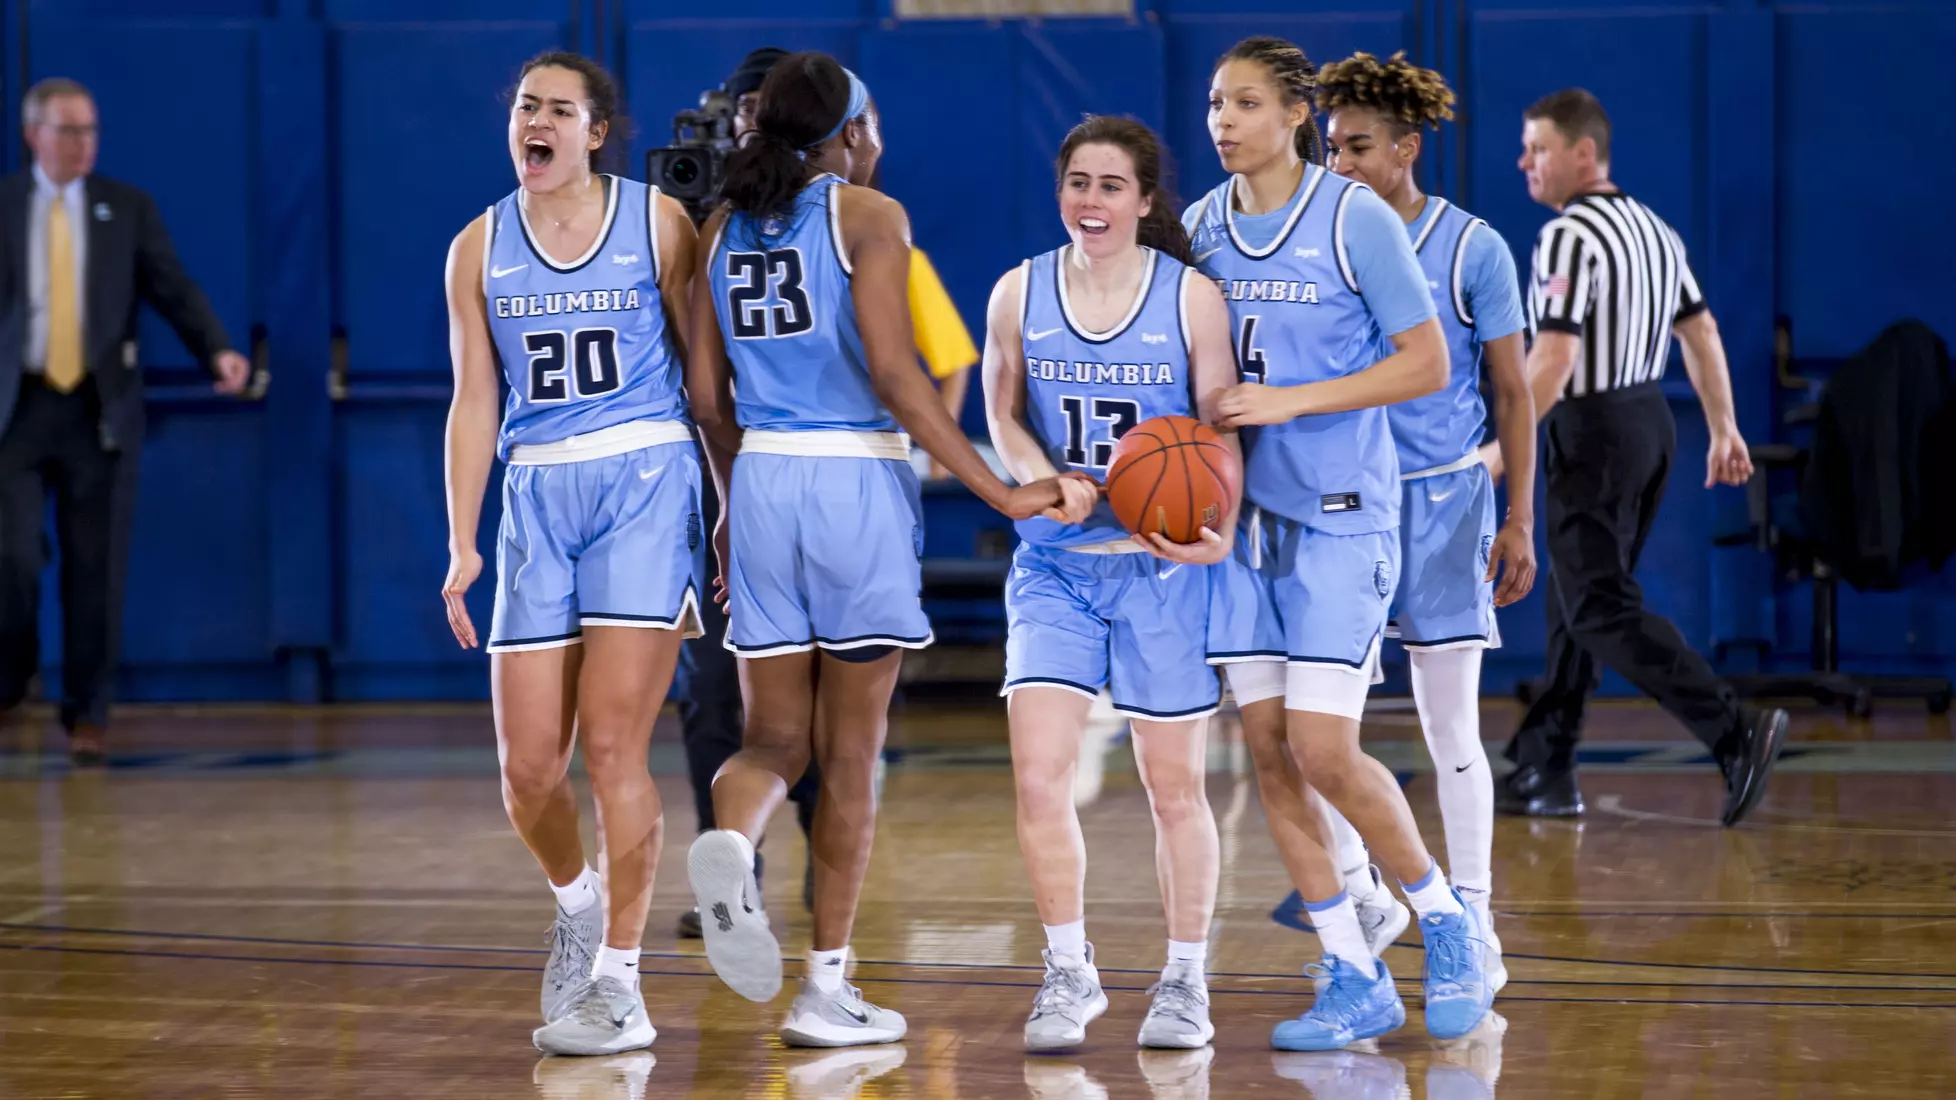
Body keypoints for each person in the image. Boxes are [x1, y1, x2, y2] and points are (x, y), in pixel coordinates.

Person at [684, 52, 1064, 1047]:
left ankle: (728, 841)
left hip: (761, 480)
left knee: (769, 740)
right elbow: (901, 379)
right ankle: (827, 987)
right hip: (851, 478)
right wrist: (1000, 488)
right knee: (851, 755)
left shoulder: (718, 229)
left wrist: (728, 508)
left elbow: (704, 403)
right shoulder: (866, 218)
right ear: (849, 133)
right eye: (876, 123)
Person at [1184, 35, 1492, 1049]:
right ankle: (1351, 969)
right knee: (1268, 753)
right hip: (1237, 525)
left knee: (1324, 747)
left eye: (1245, 104)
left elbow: (1425, 364)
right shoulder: (1198, 228)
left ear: (1296, 116)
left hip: (1345, 514)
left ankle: (1444, 920)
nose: (1224, 122)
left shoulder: (1354, 216)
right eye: (1216, 104)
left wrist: (1291, 400)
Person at [441, 52, 700, 1056]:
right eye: (523, 106)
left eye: (557, 109)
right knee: (526, 771)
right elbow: (475, 402)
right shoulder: (476, 246)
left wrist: (718, 517)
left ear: (598, 131)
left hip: (643, 475)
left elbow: (702, 369)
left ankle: (621, 983)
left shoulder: (656, 223)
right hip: (536, 491)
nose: (534, 122)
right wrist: (462, 537)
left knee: (613, 751)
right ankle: (576, 897)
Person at [983, 116, 1241, 1053]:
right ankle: (1068, 969)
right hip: (1055, 566)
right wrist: (1038, 479)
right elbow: (1001, 413)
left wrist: (1221, 534)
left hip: (1160, 570)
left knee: (1175, 788)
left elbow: (1220, 435)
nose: (1091, 201)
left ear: (1142, 200)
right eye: (1077, 184)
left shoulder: (1192, 300)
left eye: (1109, 185)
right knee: (1039, 778)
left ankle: (1183, 980)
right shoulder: (1019, 289)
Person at [1499, 88, 1787, 824]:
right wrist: (1723, 429)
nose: (1524, 162)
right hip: (1649, 424)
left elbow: (1554, 358)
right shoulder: (1655, 230)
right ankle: (1547, 765)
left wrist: (1506, 446)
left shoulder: (1567, 237)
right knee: (1577, 601)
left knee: (1597, 604)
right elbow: (1701, 330)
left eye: (1537, 148)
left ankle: (1733, 731)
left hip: (1593, 429)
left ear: (1583, 153)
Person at [1316, 51, 1539, 993]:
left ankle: (1475, 915)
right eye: (1330, 148)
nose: (1341, 166)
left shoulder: (1473, 247)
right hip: (1338, 500)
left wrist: (1520, 513)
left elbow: (1515, 392)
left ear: (1407, 146)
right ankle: (1363, 890)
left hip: (1446, 499)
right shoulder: (1313, 236)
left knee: (1452, 728)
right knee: (1326, 729)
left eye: (1360, 147)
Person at [0, 77, 251, 765]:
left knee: (94, 571)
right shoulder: (6, 205)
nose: (83, 144)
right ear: (33, 135)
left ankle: (89, 714)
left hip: (97, 410)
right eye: (68, 130)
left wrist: (218, 348)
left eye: (91, 130)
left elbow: (172, 286)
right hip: (15, 412)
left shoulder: (125, 208)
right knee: (11, 559)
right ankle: (10, 673)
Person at [672, 43, 815, 943]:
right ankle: (736, 874)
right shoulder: (691, 225)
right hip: (718, 488)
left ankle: (830, 865)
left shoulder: (853, 220)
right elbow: (693, 387)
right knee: (714, 693)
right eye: (742, 111)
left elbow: (921, 362)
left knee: (832, 704)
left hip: (818, 483)